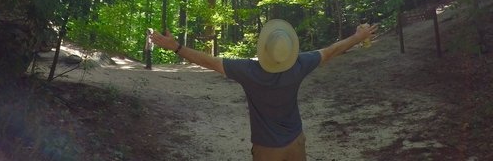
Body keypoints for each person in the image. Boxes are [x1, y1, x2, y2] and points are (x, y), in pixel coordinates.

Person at [150, 19, 378, 160]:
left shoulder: (249, 71)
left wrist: (176, 47)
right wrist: (358, 37)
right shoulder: (299, 65)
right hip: (296, 142)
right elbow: (330, 51)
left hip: (267, 148)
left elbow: (209, 61)